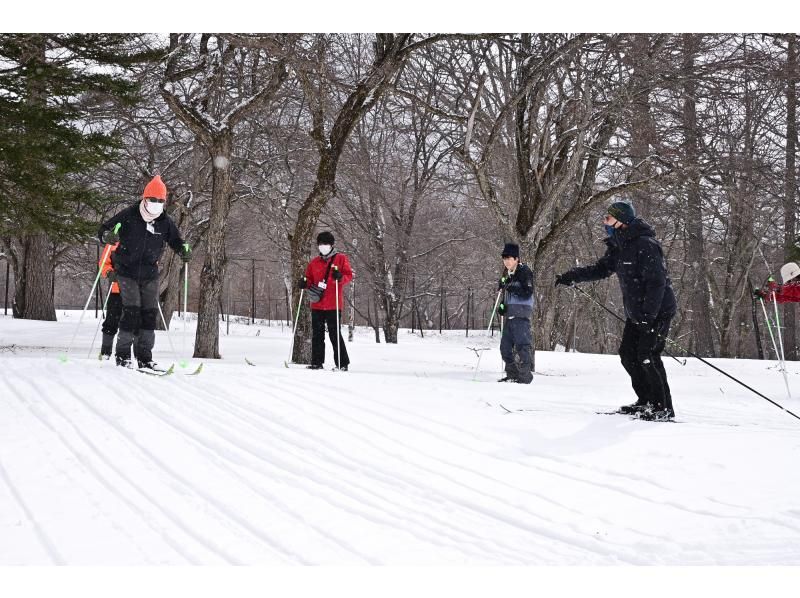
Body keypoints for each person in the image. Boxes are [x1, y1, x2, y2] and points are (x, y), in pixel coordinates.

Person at [555, 201, 677, 421]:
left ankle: (663, 408)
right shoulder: (619, 245)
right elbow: (601, 269)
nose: (605, 222)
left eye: (608, 218)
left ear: (622, 221)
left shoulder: (645, 244)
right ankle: (646, 401)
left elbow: (657, 283)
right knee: (628, 355)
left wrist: (649, 316)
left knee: (647, 355)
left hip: (656, 310)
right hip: (636, 312)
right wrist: (572, 275)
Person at [97, 175, 191, 369]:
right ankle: (123, 355)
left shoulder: (164, 222)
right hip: (126, 271)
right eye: (153, 200)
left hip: (149, 273)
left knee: (149, 314)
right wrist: (108, 235)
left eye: (160, 201)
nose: (156, 204)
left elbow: (176, 241)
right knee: (131, 312)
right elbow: (104, 229)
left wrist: (183, 250)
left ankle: (144, 357)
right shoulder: (130, 214)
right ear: (144, 199)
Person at [298, 231, 353, 371]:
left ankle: (342, 363)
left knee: (335, 334)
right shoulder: (314, 262)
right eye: (320, 244)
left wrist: (339, 277)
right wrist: (304, 282)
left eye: (326, 244)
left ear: (332, 245)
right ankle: (317, 362)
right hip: (317, 303)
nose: (323, 246)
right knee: (317, 334)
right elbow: (309, 278)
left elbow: (348, 275)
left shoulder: (340, 258)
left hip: (333, 303)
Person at [497, 243, 535, 384]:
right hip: (510, 316)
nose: (506, 261)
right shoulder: (507, 273)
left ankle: (525, 377)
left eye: (509, 258)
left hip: (521, 315)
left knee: (522, 347)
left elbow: (527, 292)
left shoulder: (524, 271)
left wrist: (509, 286)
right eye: (504, 258)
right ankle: (512, 375)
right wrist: (503, 306)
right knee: (505, 348)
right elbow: (507, 292)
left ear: (516, 258)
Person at [98, 241, 125, 359]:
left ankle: (127, 354)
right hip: (116, 290)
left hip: (138, 291)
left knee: (134, 323)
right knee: (111, 321)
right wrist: (109, 272)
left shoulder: (143, 239)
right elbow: (103, 263)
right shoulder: (113, 244)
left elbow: (152, 262)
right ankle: (105, 352)